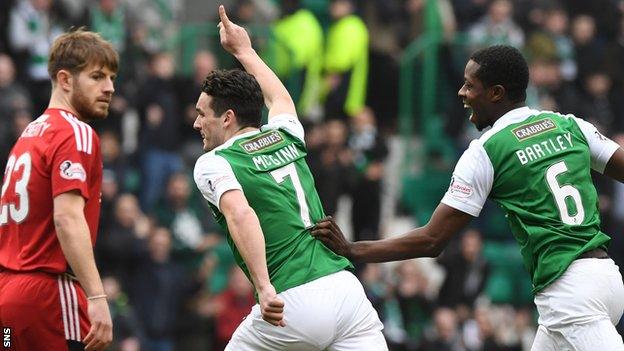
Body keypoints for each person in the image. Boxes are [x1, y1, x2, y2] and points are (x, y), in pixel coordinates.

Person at [312, 45, 624, 350]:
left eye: (470, 85)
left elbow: (432, 240)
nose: (461, 92)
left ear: (496, 93)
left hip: (569, 291)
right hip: (604, 278)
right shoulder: (571, 125)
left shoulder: (487, 150)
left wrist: (353, 249)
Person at [192, 5, 387, 350]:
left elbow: (241, 214)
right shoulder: (287, 133)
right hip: (347, 292)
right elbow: (279, 97)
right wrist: (245, 51)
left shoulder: (216, 162)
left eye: (202, 114)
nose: (196, 124)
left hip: (293, 298)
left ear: (227, 118)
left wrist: (264, 286)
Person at [0, 29, 117, 351]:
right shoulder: (75, 133)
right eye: (97, 76)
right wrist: (96, 296)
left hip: (8, 299)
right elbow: (67, 218)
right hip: (50, 297)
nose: (109, 87)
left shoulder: (28, 135)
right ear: (65, 80)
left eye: (111, 77)